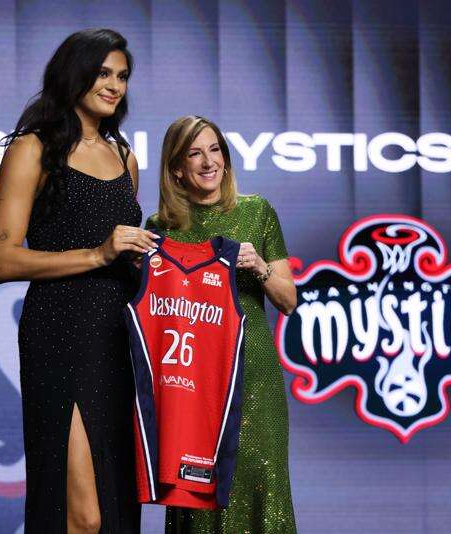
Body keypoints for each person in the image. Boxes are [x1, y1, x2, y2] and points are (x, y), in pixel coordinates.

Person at [0, 28, 158, 533]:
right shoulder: (33, 148)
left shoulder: (124, 157)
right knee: (82, 513)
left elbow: (125, 257)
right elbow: (1, 259)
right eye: (103, 73)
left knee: (115, 505)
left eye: (122, 76)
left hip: (118, 340)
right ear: (73, 73)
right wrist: (98, 254)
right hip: (59, 334)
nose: (114, 86)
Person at [146, 116, 298, 533]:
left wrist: (261, 267)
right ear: (177, 169)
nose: (208, 161)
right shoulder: (160, 228)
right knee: (198, 488)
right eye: (194, 153)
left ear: (226, 160)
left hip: (254, 377)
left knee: (262, 483)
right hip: (192, 381)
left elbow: (288, 301)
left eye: (215, 150)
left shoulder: (257, 212)